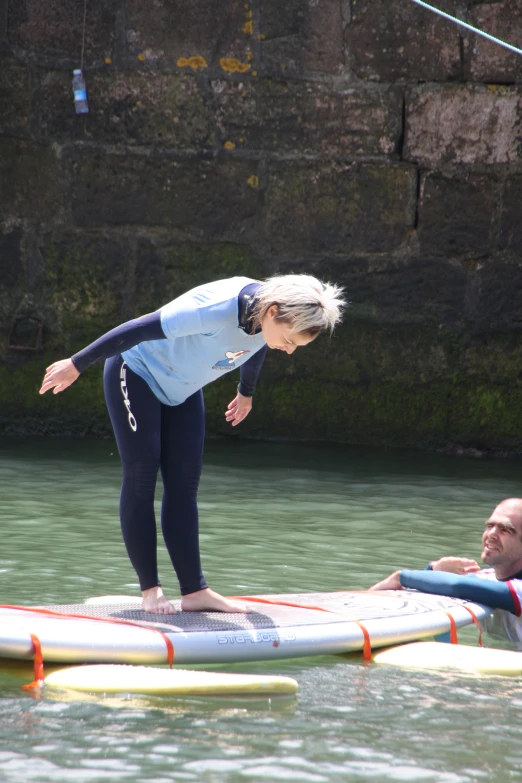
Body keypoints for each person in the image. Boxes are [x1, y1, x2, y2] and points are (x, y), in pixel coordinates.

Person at [39, 275, 345, 614]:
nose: (288, 350)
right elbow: (137, 328)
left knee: (184, 483)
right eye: (289, 341)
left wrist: (246, 392)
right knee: (143, 473)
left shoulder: (263, 317)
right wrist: (76, 364)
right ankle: (150, 590)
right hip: (136, 371)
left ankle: (194, 591)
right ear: (273, 312)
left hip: (183, 388)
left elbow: (258, 345)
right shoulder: (214, 310)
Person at [369, 498, 522, 646]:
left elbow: (456, 586)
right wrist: (433, 570)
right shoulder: (487, 579)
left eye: (505, 530)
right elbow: (436, 594)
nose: (491, 534)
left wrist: (401, 577)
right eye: (490, 526)